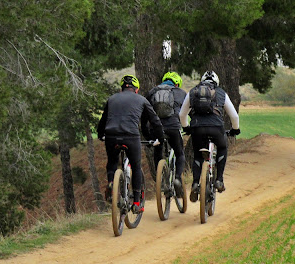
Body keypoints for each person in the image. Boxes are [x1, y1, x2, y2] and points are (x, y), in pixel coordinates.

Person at [97, 74, 164, 213]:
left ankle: (111, 183)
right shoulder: (142, 99)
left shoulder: (112, 99)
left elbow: (103, 121)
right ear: (137, 89)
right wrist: (159, 138)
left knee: (112, 162)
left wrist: (100, 135)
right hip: (130, 136)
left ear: (121, 89)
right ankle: (137, 202)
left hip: (111, 135)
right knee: (136, 166)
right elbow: (155, 121)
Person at [178, 70, 240, 202]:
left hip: (197, 128)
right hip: (216, 128)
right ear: (216, 82)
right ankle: (219, 180)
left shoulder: (193, 92)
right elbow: (234, 115)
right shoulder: (221, 93)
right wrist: (235, 130)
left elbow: (182, 114)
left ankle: (195, 183)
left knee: (198, 155)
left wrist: (186, 127)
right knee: (222, 148)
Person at [146, 71, 187, 196]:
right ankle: (178, 179)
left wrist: (148, 135)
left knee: (158, 152)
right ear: (177, 83)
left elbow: (145, 113)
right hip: (173, 127)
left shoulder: (152, 91)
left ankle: (162, 178)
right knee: (180, 153)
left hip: (156, 129)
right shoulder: (181, 93)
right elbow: (187, 112)